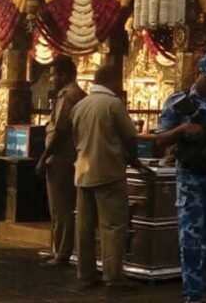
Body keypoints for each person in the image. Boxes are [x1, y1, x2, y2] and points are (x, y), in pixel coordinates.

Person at [149, 55, 206, 303]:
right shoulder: (179, 102)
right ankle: (192, 293)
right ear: (198, 74)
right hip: (191, 176)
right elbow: (159, 139)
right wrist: (182, 131)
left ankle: (202, 287)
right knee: (191, 234)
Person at [69, 62, 139, 289]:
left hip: (82, 168)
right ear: (113, 81)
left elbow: (75, 138)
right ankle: (113, 276)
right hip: (108, 169)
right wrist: (132, 157)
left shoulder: (80, 105)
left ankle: (85, 274)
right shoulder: (112, 104)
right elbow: (130, 136)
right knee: (112, 225)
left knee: (85, 224)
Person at [36, 57, 85, 267]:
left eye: (54, 74)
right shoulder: (73, 94)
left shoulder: (68, 95)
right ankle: (58, 248)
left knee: (62, 207)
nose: (51, 79)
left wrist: (43, 157)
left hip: (62, 158)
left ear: (65, 75)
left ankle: (62, 252)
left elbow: (60, 131)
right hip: (67, 157)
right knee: (60, 207)